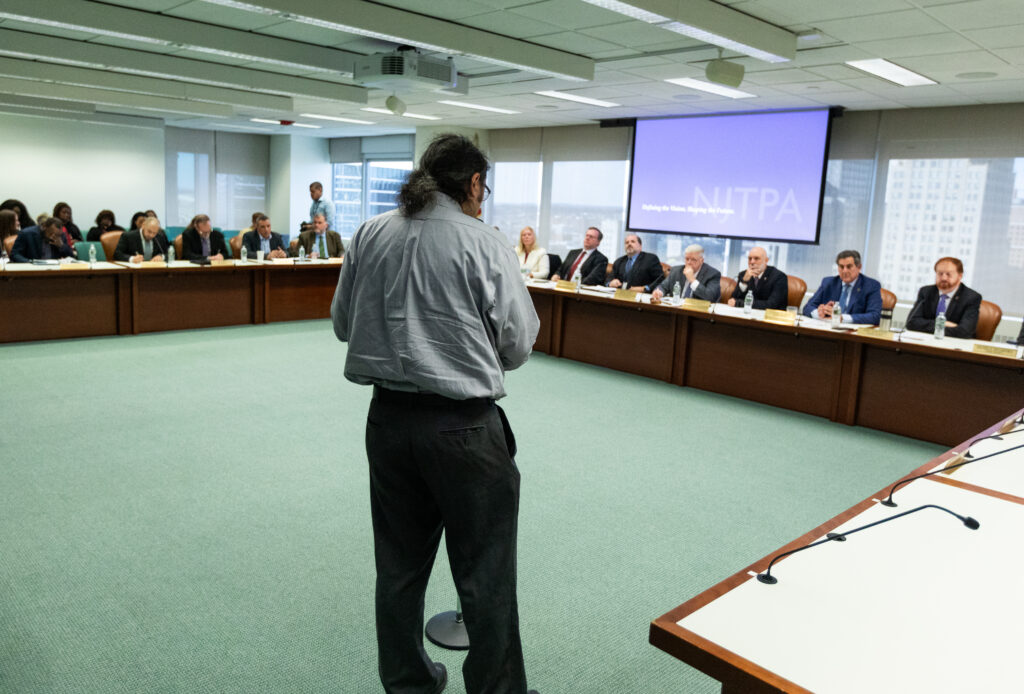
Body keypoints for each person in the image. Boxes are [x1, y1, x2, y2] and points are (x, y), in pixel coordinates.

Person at [331, 133, 540, 694]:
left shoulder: (370, 232)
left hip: (389, 423)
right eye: (484, 188)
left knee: (397, 567)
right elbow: (518, 344)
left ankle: (408, 683)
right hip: (466, 430)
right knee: (485, 573)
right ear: (473, 184)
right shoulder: (485, 242)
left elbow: (344, 325)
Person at [904, 257, 983, 339]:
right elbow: (911, 323)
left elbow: (964, 331)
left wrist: (926, 326)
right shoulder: (926, 292)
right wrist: (942, 324)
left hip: (954, 345)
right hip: (927, 341)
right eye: (940, 274)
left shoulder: (971, 297)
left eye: (948, 274)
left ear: (960, 276)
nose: (944, 278)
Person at [802, 250, 882, 325]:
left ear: (859, 267)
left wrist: (842, 318)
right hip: (827, 329)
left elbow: (875, 316)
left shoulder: (871, 286)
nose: (844, 271)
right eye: (841, 267)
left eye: (849, 266)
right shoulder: (828, 283)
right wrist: (819, 313)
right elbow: (807, 308)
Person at [651, 244, 722, 301]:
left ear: (701, 261)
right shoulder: (676, 270)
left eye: (693, 259)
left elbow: (710, 297)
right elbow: (663, 286)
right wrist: (659, 292)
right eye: (687, 259)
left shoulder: (713, 274)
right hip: (676, 311)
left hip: (697, 314)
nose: (689, 262)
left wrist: (692, 280)